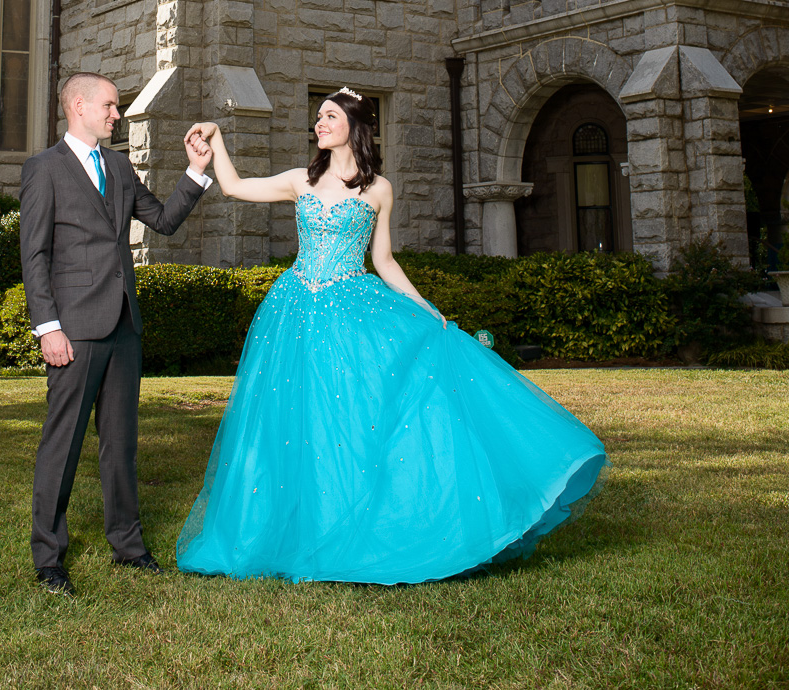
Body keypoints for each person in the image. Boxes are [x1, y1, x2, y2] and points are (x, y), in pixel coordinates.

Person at [176, 90, 607, 585]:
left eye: (330, 116)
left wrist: (425, 309)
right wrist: (217, 138)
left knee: (350, 417)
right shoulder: (302, 180)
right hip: (295, 308)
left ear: (355, 126)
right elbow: (232, 187)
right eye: (317, 117)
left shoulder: (379, 189)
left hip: (349, 308)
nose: (319, 123)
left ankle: (357, 525)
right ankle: (286, 529)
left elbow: (382, 261)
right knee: (290, 419)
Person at [19, 71, 213, 595]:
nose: (117, 114)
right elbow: (34, 256)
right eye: (109, 105)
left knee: (121, 444)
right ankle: (49, 557)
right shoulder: (44, 169)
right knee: (62, 444)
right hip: (73, 331)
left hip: (124, 325)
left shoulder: (121, 167)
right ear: (78, 105)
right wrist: (48, 328)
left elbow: (165, 220)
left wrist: (196, 172)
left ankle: (128, 546)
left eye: (117, 107)